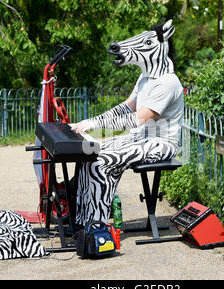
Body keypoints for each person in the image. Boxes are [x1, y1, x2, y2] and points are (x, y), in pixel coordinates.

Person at [70, 19, 184, 227]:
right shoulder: (145, 78)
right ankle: (81, 218)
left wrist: (95, 124)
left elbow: (138, 118)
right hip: (141, 138)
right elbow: (126, 107)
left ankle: (96, 224)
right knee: (89, 153)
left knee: (101, 162)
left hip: (162, 144)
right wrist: (90, 121)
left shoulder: (167, 83)